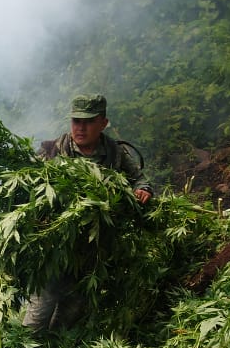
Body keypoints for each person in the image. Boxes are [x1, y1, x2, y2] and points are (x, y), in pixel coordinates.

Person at [25, 94, 154, 333]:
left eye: (88, 122)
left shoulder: (115, 153)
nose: (80, 128)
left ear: (103, 123)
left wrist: (143, 190)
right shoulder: (53, 151)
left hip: (92, 251)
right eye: (76, 121)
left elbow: (139, 179)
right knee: (38, 314)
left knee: (70, 313)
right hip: (55, 249)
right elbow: (25, 186)